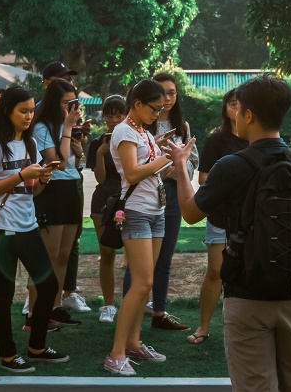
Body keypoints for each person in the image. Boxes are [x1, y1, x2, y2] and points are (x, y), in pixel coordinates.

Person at [169, 74, 291, 392]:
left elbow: (191, 213)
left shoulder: (230, 166)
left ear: (248, 115)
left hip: (246, 295)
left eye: (238, 109)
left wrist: (180, 165)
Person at [0, 86, 69, 373]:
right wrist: (22, 174)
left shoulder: (29, 144)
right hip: (2, 228)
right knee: (4, 294)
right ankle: (8, 356)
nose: (29, 116)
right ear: (7, 111)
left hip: (27, 225)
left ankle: (37, 346)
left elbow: (31, 191)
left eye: (32, 110)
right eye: (23, 111)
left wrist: (42, 177)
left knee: (49, 285)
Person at [104, 79, 175, 375]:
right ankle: (115, 354)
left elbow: (154, 170)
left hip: (155, 211)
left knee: (146, 280)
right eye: (154, 108)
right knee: (142, 282)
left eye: (161, 109)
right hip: (136, 212)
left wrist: (177, 158)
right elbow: (132, 173)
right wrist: (164, 159)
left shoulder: (143, 131)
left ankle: (133, 343)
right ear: (137, 104)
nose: (158, 113)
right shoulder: (123, 130)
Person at [129, 72, 191, 332]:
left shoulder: (182, 126)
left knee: (164, 257)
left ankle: (159, 312)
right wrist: (164, 164)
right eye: (162, 93)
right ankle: (130, 312)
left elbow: (192, 158)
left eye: (172, 93)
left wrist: (180, 167)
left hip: (173, 191)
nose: (167, 99)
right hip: (144, 194)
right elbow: (133, 167)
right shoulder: (137, 126)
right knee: (139, 264)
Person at [186, 89, 248, 345]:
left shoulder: (256, 138)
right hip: (220, 216)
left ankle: (244, 329)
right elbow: (202, 178)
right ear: (225, 108)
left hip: (249, 216)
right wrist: (230, 182)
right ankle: (203, 327)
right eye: (232, 103)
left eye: (241, 104)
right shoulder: (216, 140)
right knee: (215, 272)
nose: (236, 108)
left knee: (247, 273)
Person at [31, 79, 86, 327]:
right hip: (51, 190)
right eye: (67, 103)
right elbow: (59, 162)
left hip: (71, 189)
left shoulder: (66, 125)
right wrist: (66, 127)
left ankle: (54, 308)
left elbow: (72, 161)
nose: (72, 107)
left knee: (64, 254)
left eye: (74, 102)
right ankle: (34, 314)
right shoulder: (42, 127)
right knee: (48, 255)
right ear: (54, 101)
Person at [86, 95, 127, 323]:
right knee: (107, 254)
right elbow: (101, 179)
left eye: (119, 114)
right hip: (104, 201)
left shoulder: (132, 139)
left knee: (135, 254)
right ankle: (108, 305)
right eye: (109, 115)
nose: (114, 119)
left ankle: (136, 301)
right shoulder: (96, 143)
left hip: (130, 201)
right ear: (104, 117)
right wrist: (101, 153)